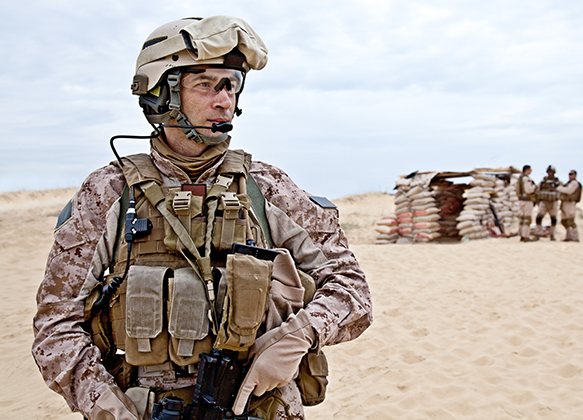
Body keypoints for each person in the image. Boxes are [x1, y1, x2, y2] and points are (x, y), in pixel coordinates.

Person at [32, 16, 372, 420]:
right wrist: (111, 410)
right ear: (161, 94)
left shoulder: (267, 187)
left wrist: (300, 335)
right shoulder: (108, 193)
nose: (223, 100)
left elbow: (352, 290)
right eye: (206, 84)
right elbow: (56, 328)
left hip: (260, 407)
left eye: (231, 85)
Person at [534, 165, 561, 240]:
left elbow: (561, 190)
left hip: (553, 202)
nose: (550, 173)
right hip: (544, 201)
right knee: (539, 218)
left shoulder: (557, 182)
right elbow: (537, 189)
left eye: (551, 172)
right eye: (549, 172)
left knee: (553, 219)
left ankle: (552, 235)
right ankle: (538, 233)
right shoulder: (543, 181)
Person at [557, 169, 582, 242]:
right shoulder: (569, 183)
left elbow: (568, 191)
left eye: (572, 174)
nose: (570, 176)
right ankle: (569, 236)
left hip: (570, 203)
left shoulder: (574, 183)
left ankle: (575, 237)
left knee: (570, 221)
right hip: (565, 202)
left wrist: (559, 188)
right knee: (564, 221)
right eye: (569, 174)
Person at [515, 165, 538, 242]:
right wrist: (534, 187)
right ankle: (525, 236)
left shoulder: (520, 178)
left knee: (522, 218)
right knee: (527, 219)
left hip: (521, 200)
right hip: (527, 200)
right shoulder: (526, 179)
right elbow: (528, 190)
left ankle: (521, 234)